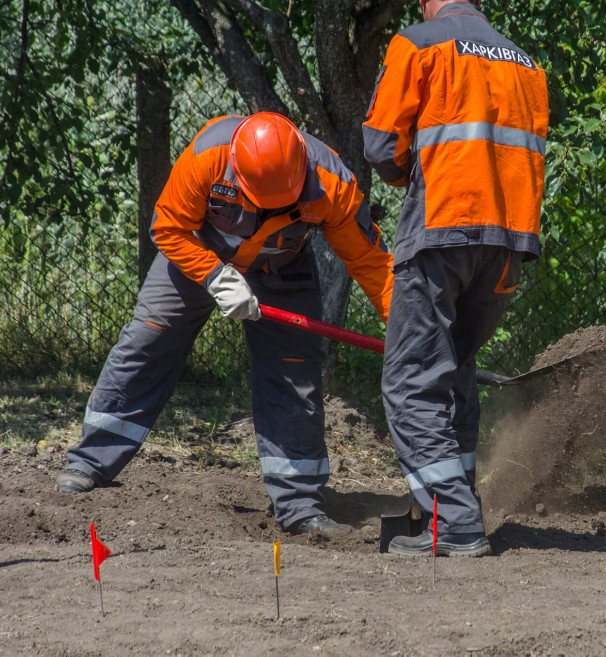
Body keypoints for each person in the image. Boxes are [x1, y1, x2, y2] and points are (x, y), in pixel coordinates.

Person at [56, 112, 394, 536]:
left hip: (282, 269)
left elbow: (371, 262)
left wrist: (405, 330)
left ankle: (300, 504)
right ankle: (90, 463)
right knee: (148, 339)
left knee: (293, 372)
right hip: (194, 253)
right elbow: (168, 226)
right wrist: (215, 274)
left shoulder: (332, 183)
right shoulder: (207, 156)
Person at [362, 0, 549, 556]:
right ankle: (452, 507)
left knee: (411, 381)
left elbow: (380, 146)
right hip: (511, 243)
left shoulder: (417, 43)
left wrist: (410, 174)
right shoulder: (526, 63)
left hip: (444, 228)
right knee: (454, 375)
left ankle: (457, 523)